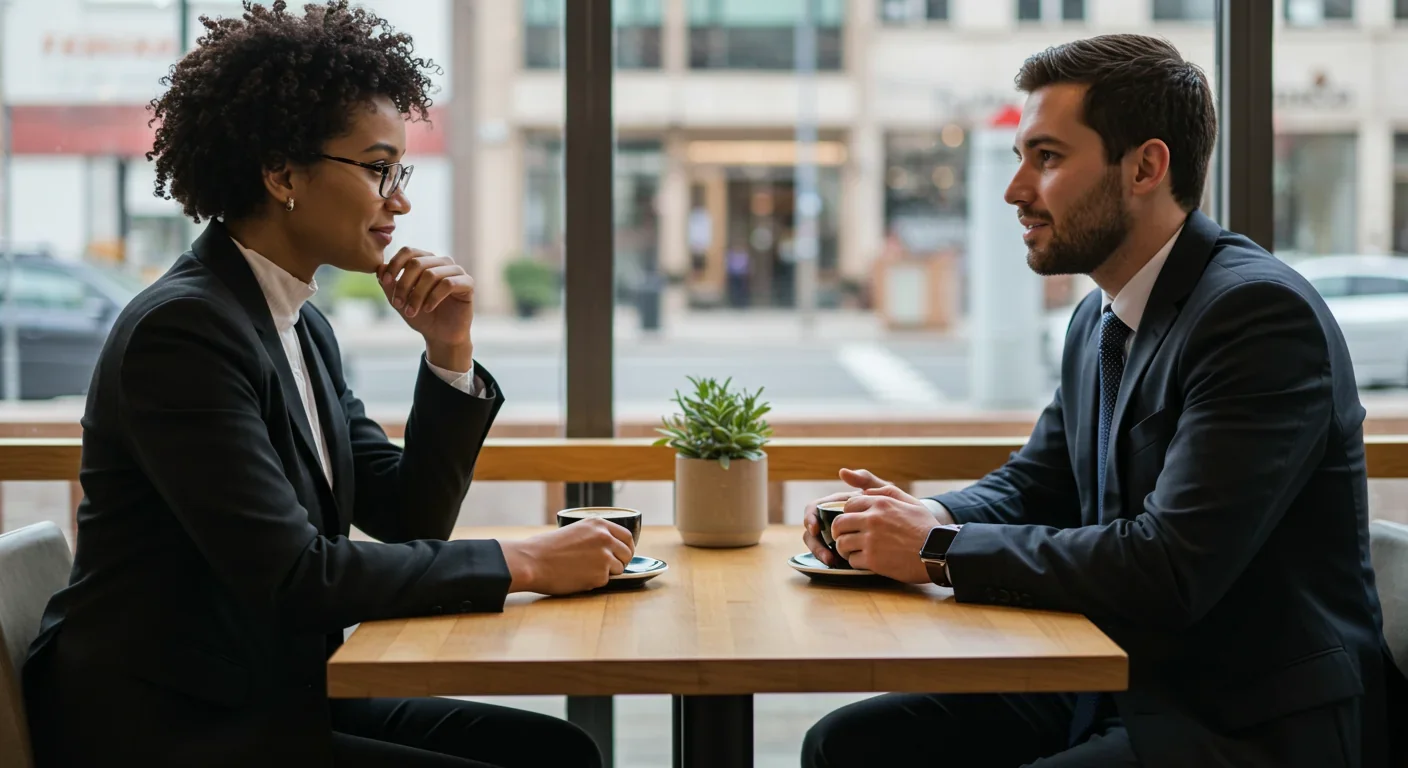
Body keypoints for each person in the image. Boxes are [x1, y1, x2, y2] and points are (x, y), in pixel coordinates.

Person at [22, 3, 632, 766]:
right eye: (379, 169)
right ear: (282, 174)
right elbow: (295, 575)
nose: (399, 200)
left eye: (399, 172)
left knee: (554, 751)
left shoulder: (298, 323)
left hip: (270, 692)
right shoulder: (181, 334)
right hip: (170, 723)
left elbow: (408, 515)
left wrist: (450, 352)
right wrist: (528, 562)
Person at [800, 34, 1406, 768]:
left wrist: (933, 551)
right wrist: (924, 517)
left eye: (1047, 158)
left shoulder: (1257, 316)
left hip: (1245, 720)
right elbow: (1040, 483)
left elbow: (1168, 567)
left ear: (1146, 166)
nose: (1015, 189)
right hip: (1114, 677)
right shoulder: (1100, 316)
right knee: (848, 746)